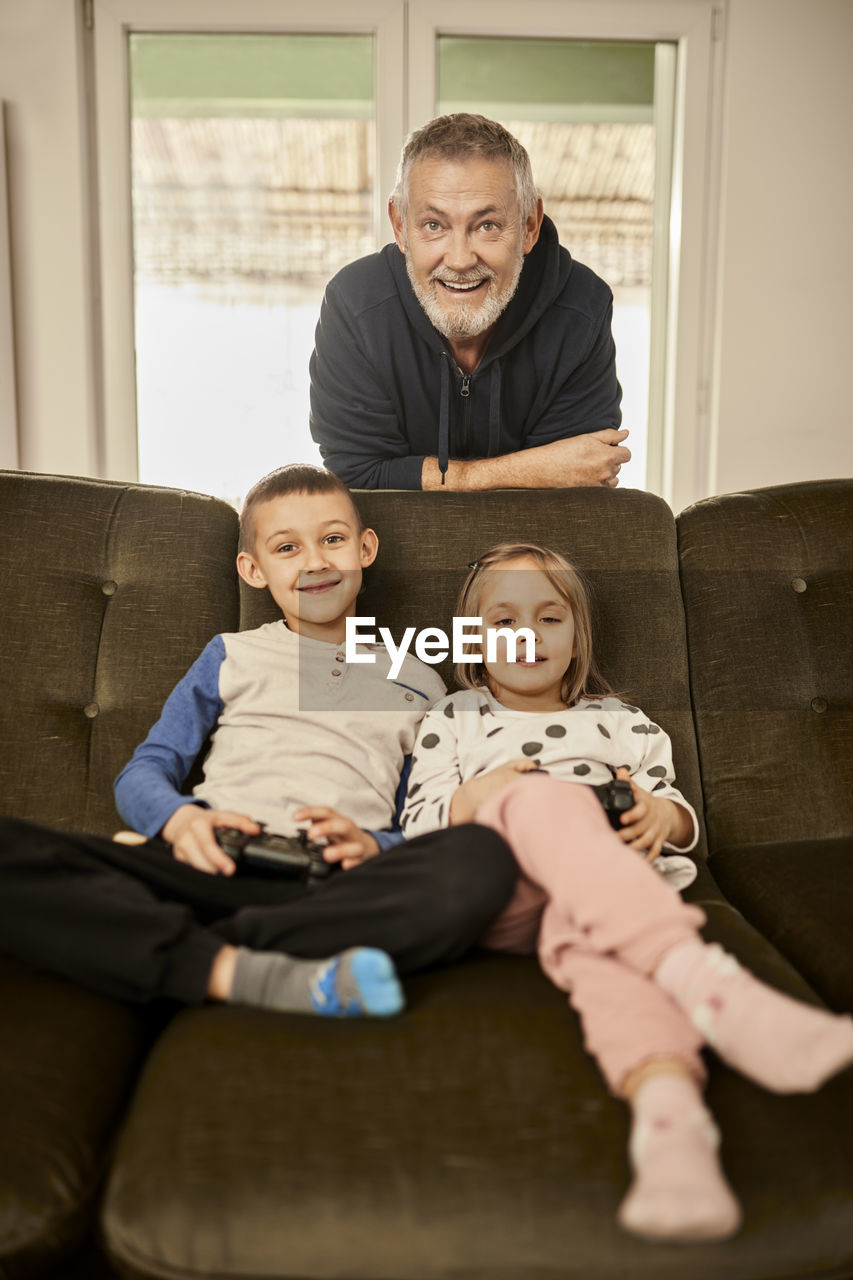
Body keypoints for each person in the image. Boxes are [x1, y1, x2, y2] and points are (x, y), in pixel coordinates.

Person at [401, 542, 853, 1242]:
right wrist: (476, 797)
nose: (526, 636)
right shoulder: (455, 719)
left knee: (601, 959)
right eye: (501, 622)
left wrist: (657, 815)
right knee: (543, 801)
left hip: (604, 900)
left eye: (549, 618)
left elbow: (678, 819)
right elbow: (416, 827)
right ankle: (709, 987)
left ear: (577, 635)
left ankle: (671, 1131)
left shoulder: (624, 721)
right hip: (496, 888)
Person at [0, 466, 517, 1019]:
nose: (315, 561)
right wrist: (181, 821)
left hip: (329, 888)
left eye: (333, 540)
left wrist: (374, 847)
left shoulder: (420, 680)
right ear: (253, 569)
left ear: (365, 548)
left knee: (482, 858)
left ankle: (178, 943)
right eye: (287, 548)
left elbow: (419, 815)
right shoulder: (230, 655)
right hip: (208, 866)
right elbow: (144, 773)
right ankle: (235, 968)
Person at [309, 113, 629, 491]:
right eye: (434, 225)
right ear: (400, 225)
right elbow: (357, 478)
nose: (460, 260)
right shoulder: (354, 306)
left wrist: (416, 474)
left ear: (529, 227)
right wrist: (513, 472)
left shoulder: (582, 308)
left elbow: (576, 487)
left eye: (487, 226)